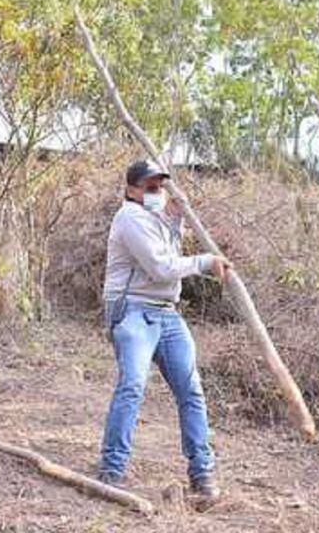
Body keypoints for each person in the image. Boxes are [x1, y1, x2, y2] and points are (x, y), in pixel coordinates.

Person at [97, 159, 230, 501]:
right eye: (150, 187)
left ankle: (202, 474)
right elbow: (161, 267)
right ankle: (111, 470)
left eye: (160, 186)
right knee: (132, 385)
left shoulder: (156, 217)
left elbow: (169, 252)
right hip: (132, 311)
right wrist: (205, 261)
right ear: (131, 190)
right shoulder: (129, 217)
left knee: (191, 390)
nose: (157, 192)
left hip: (166, 313)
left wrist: (176, 217)